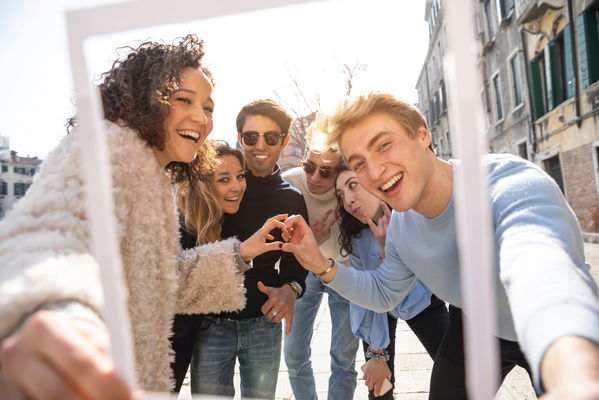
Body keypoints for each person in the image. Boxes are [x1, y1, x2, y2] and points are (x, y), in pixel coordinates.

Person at [0, 35, 279, 397]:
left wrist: (241, 252)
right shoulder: (109, 150)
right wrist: (56, 316)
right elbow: (50, 237)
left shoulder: (149, 170)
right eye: (183, 100)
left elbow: (160, 280)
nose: (201, 117)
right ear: (147, 98)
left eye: (208, 107)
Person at [281, 92, 599, 399]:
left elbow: (540, 263)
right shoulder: (401, 228)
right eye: (359, 163)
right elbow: (383, 292)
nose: (375, 171)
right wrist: (319, 264)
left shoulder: (507, 183)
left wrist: (566, 353)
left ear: (422, 135)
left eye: (384, 145)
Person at [189, 99, 309, 399]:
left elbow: (298, 261)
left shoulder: (291, 199)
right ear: (239, 137)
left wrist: (291, 289)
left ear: (284, 140)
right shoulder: (213, 185)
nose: (260, 145)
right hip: (209, 323)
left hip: (262, 324)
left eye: (270, 137)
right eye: (251, 137)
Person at [170, 140, 287, 392]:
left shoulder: (237, 212)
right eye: (224, 179)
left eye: (240, 176)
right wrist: (242, 252)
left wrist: (292, 287)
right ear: (202, 184)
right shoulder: (181, 224)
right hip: (190, 335)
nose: (236, 186)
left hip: (256, 325)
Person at [334, 163, 448, 399]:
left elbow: (424, 279)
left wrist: (388, 248)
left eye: (353, 186)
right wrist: (376, 354)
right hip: (376, 309)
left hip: (422, 300)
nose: (348, 200)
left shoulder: (411, 214)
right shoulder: (355, 235)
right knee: (379, 389)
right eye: (341, 195)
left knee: (455, 372)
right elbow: (365, 295)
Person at [282, 142, 360, 400]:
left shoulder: (352, 187)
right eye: (309, 167)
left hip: (345, 269)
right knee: (294, 353)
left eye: (326, 172)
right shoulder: (289, 184)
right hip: (304, 272)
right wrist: (309, 241)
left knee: (344, 357)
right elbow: (275, 244)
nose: (314, 177)